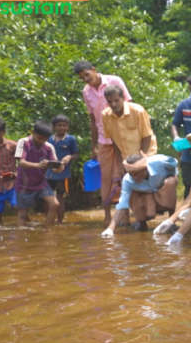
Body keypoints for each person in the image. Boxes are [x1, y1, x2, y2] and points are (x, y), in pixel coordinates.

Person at [74, 60, 132, 224]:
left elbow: (129, 106)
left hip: (123, 137)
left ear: (93, 70)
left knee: (126, 173)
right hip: (103, 139)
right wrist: (93, 146)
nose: (86, 79)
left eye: (86, 74)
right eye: (82, 78)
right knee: (105, 178)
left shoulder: (114, 81)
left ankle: (126, 216)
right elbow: (92, 119)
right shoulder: (86, 91)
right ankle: (107, 217)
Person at [101, 152, 178, 236]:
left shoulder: (159, 161)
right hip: (145, 194)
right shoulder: (128, 180)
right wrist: (110, 229)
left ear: (145, 168)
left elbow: (174, 162)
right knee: (131, 194)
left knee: (170, 182)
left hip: (162, 190)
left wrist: (173, 176)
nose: (134, 177)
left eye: (137, 174)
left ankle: (172, 220)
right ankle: (142, 223)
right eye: (131, 174)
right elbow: (122, 206)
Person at [15, 120, 64, 228]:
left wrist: (59, 168)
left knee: (55, 204)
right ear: (33, 132)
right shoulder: (23, 142)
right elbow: (21, 162)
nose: (42, 141)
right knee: (23, 215)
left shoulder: (49, 147)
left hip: (41, 183)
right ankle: (20, 238)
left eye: (45, 139)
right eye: (39, 138)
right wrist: (38, 165)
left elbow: (55, 166)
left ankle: (47, 230)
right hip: (24, 184)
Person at [101, 85, 158, 162]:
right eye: (110, 101)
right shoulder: (105, 115)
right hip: (127, 158)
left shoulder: (138, 111)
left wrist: (141, 156)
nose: (113, 104)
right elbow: (114, 140)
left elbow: (147, 136)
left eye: (116, 100)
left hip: (147, 155)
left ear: (123, 98)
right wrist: (120, 161)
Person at [45, 115, 79, 224]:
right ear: (54, 127)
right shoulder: (49, 139)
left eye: (64, 125)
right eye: (59, 125)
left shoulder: (71, 139)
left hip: (63, 174)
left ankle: (59, 222)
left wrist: (69, 157)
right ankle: (49, 221)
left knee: (60, 197)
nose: (62, 128)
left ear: (68, 127)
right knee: (46, 198)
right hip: (48, 173)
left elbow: (76, 155)